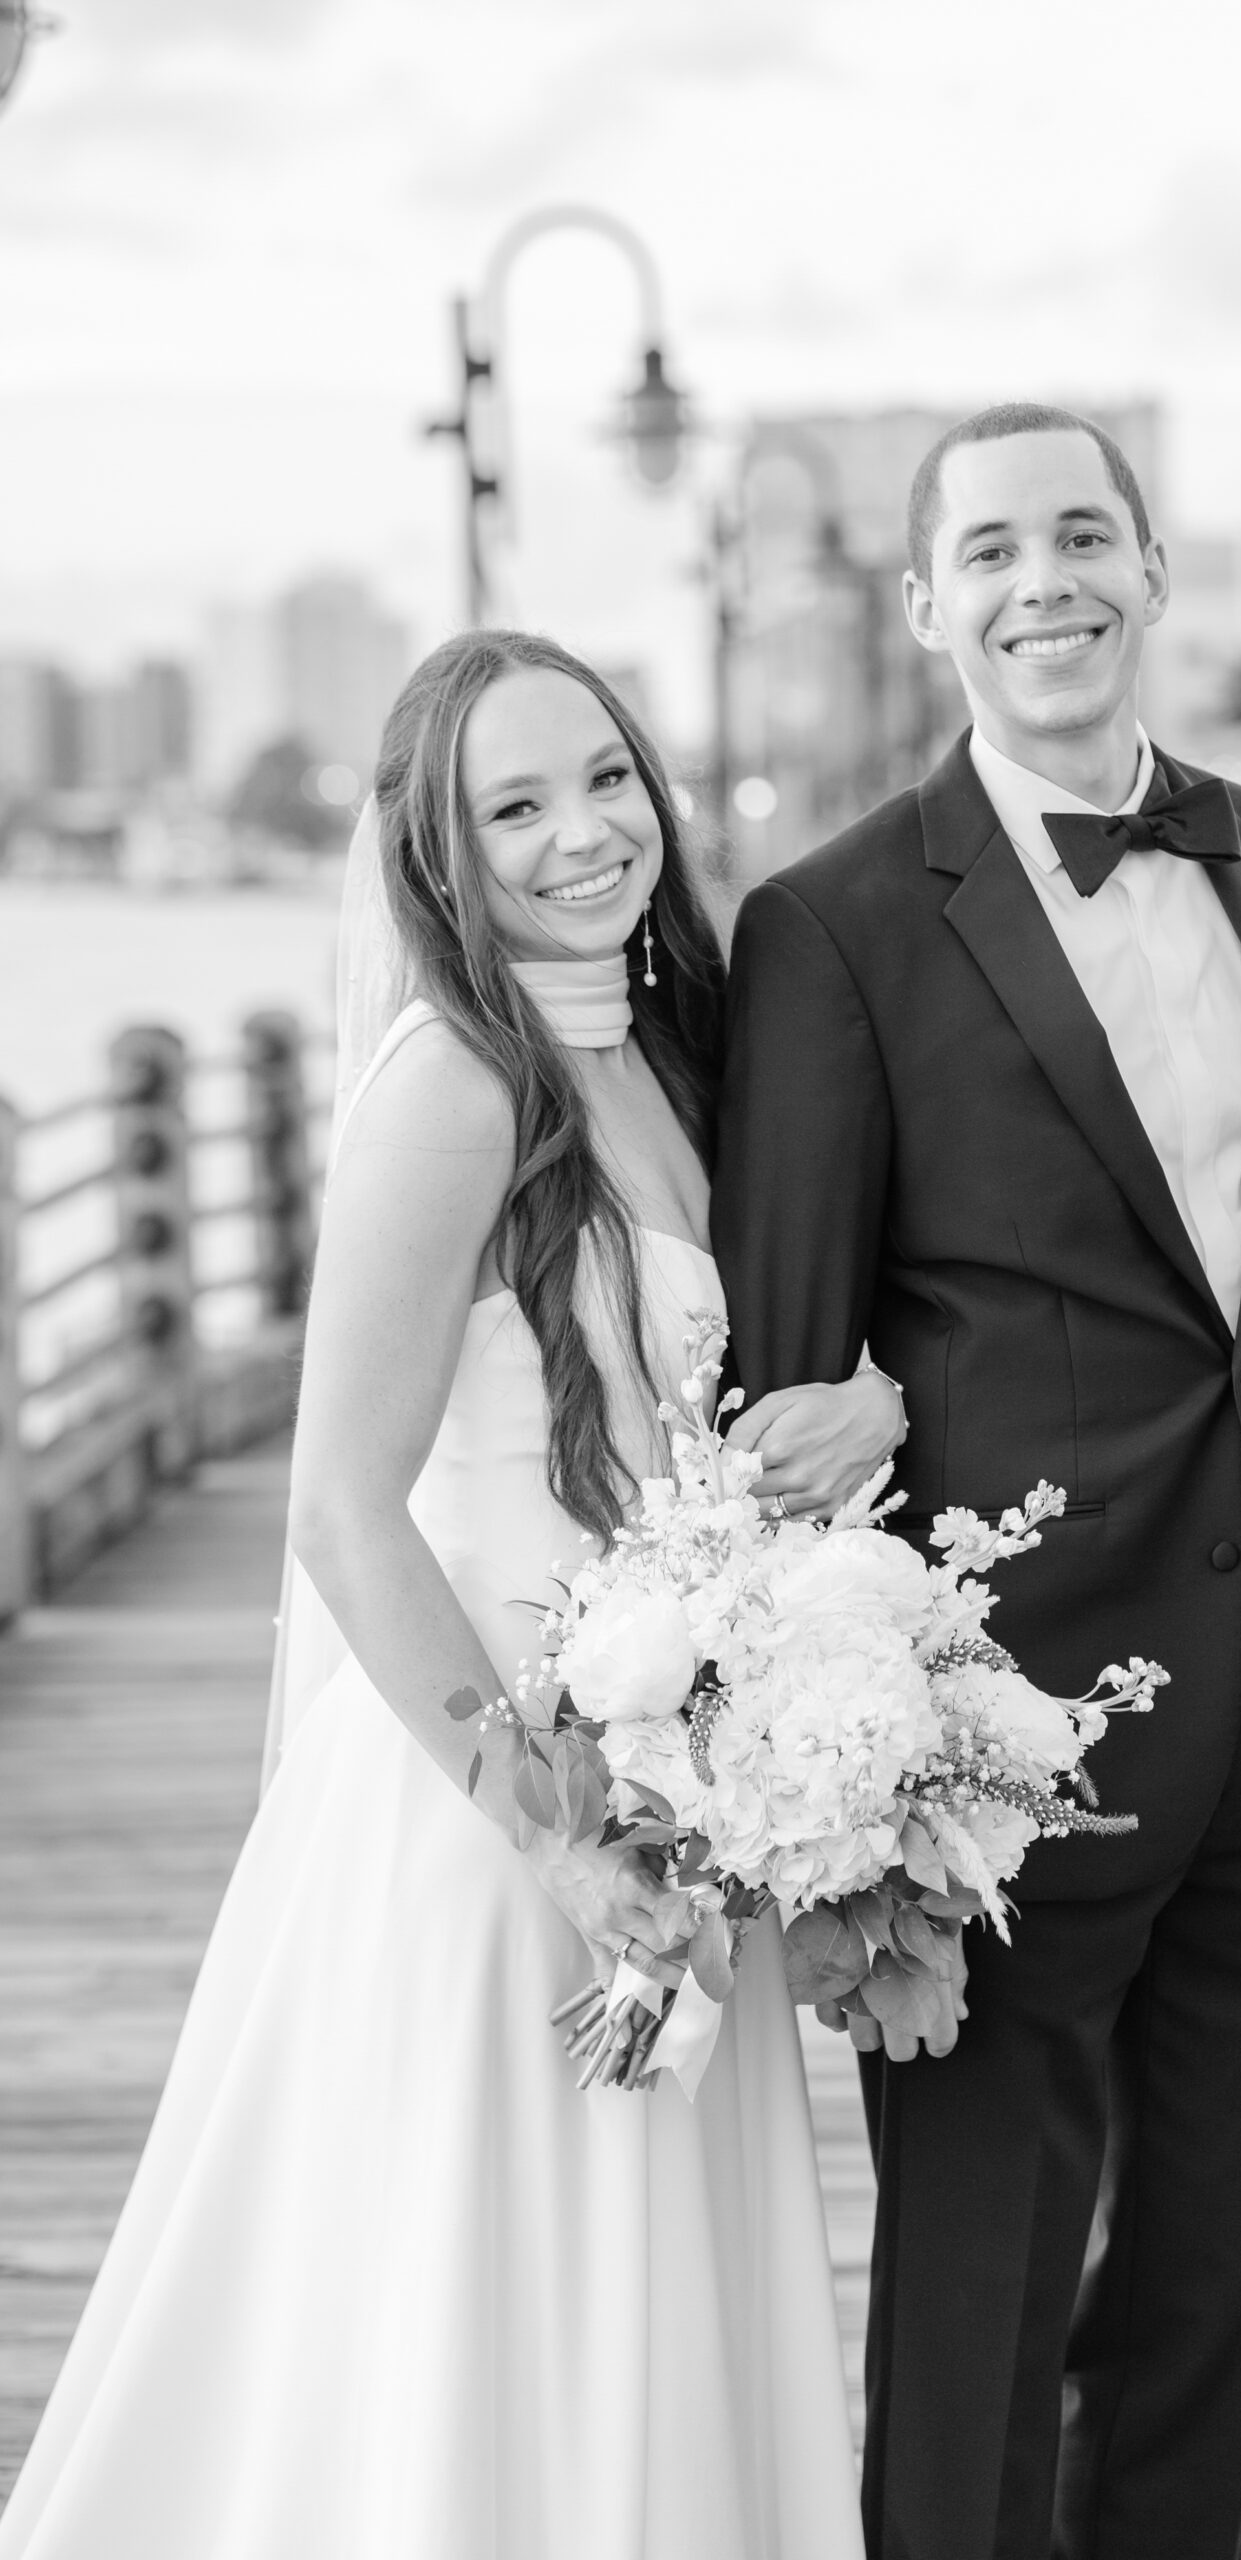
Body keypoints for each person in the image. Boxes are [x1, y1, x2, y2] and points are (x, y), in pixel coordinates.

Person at [0, 630, 898, 2560]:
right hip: (498, 1802)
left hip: (681, 1791)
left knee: (643, 2320)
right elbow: (341, 1505)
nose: (586, 834)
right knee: (489, 2328)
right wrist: (553, 1831)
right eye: (517, 807)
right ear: (441, 859)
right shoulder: (457, 1087)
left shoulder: (666, 1054)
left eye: (606, 777)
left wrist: (869, 1416)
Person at [712, 404, 1241, 2560]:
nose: (1042, 580)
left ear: (1150, 568)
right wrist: (872, 1742)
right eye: (990, 549)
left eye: (1082, 535)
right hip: (1003, 1728)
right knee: (981, 2289)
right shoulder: (833, 923)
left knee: (1208, 2282)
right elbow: (786, 1368)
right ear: (925, 603)